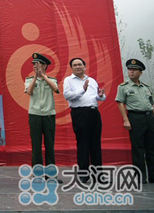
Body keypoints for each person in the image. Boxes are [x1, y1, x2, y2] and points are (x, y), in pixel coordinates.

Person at [63, 57, 106, 182]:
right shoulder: (68, 80)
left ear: (84, 66)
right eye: (75, 65)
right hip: (80, 113)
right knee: (83, 143)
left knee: (95, 144)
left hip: (94, 112)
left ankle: (98, 175)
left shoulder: (91, 80)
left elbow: (97, 97)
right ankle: (84, 174)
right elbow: (67, 95)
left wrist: (101, 96)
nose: (78, 67)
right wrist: (82, 90)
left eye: (80, 64)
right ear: (71, 68)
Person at [115, 58, 154, 184]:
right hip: (135, 117)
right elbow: (120, 103)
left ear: (140, 72)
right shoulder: (123, 87)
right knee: (138, 147)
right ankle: (140, 176)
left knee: (151, 147)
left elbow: (151, 103)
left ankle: (152, 175)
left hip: (149, 117)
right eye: (130, 69)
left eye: (134, 70)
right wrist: (125, 120)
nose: (131, 72)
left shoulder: (146, 87)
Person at [25, 53, 62, 183]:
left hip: (49, 115)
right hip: (35, 114)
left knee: (50, 145)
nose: (35, 66)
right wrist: (36, 77)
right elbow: (29, 91)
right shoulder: (29, 79)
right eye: (34, 64)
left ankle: (51, 175)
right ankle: (37, 175)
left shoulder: (51, 79)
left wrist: (43, 76)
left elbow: (56, 89)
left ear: (44, 65)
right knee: (36, 146)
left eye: (38, 64)